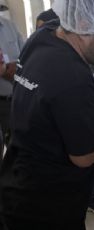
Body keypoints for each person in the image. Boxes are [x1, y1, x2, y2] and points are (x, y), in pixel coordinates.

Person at [0, 0, 94, 229]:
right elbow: (85, 156)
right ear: (84, 25)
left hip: (16, 181)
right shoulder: (73, 80)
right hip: (47, 208)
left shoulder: (44, 35)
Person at [0, 15, 24, 155]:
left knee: (16, 151)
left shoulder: (10, 26)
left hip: (11, 102)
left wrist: (14, 68)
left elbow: (26, 58)